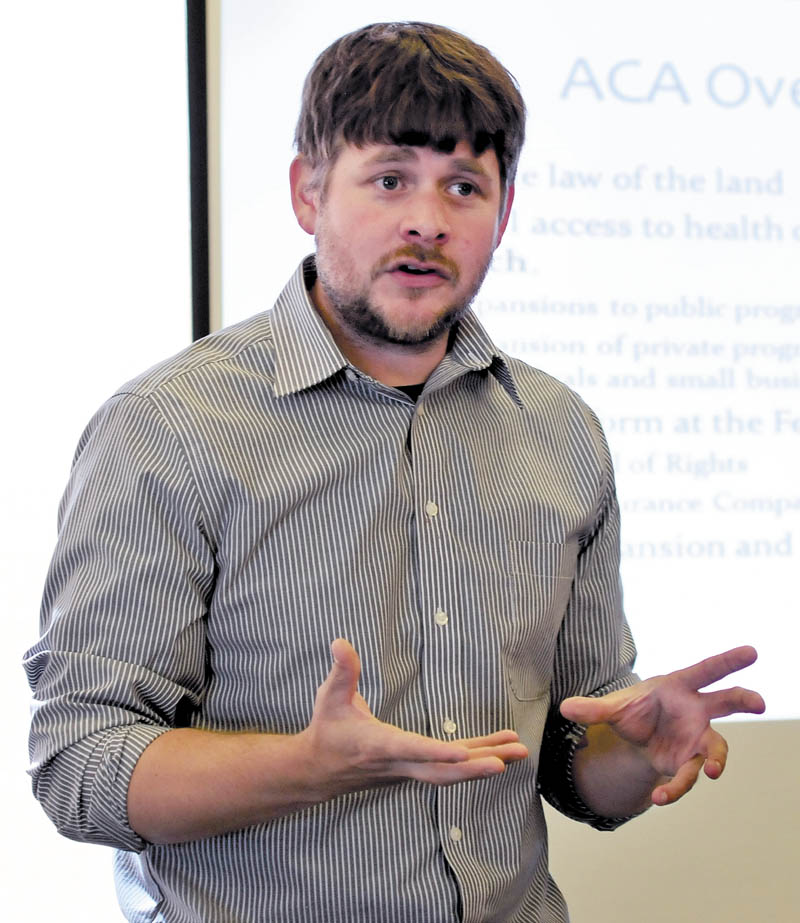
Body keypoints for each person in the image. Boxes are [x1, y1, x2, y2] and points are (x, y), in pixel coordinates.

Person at [25, 22, 764, 923]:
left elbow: (574, 761)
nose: (427, 219)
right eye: (389, 179)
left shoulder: (562, 431)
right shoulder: (168, 428)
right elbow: (80, 764)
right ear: (307, 192)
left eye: (464, 186)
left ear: (505, 210)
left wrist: (637, 758)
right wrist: (306, 766)